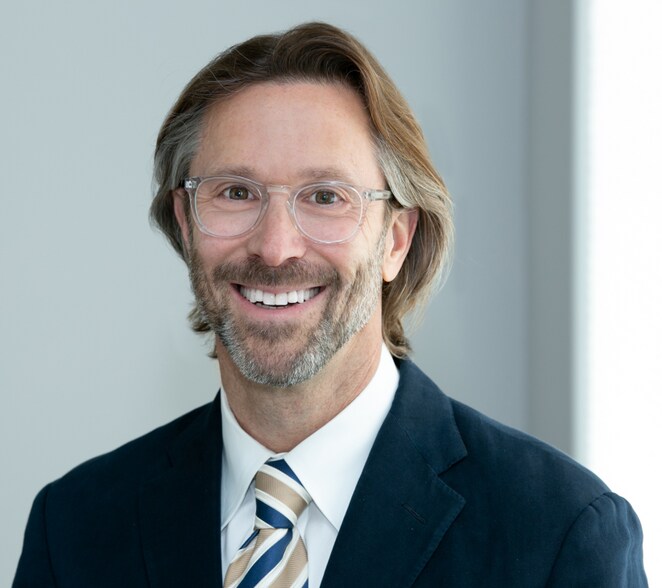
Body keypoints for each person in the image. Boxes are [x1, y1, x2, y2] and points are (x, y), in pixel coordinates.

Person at [14, 22, 647, 588]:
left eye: (325, 197)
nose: (275, 247)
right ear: (185, 222)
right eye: (235, 192)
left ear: (396, 240)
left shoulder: (557, 534)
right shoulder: (74, 530)